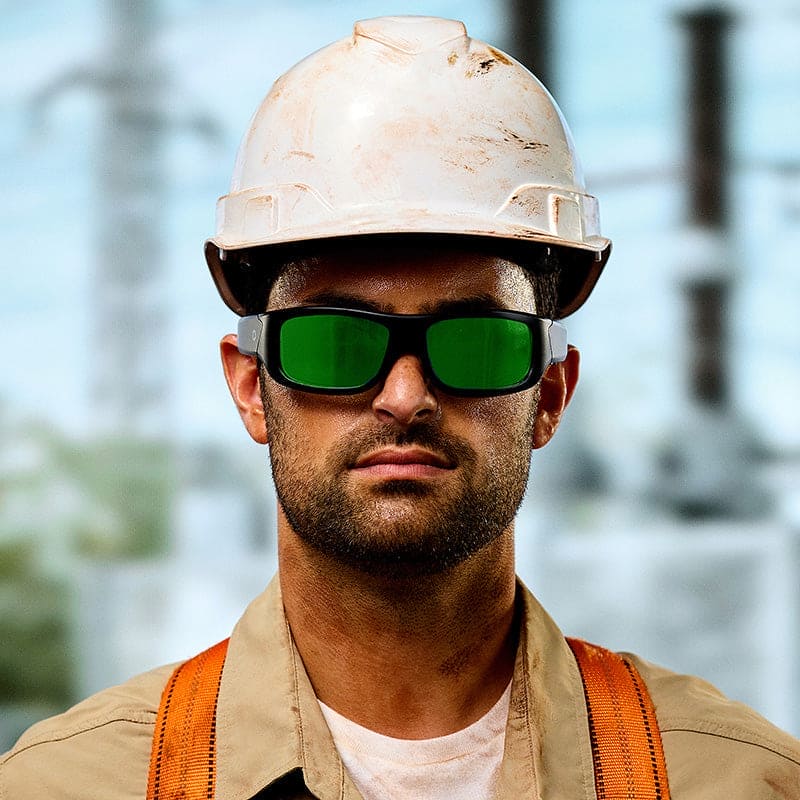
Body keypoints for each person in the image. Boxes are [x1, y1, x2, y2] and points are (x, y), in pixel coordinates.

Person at [2, 15, 799, 800]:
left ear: (550, 394)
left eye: (476, 342)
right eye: (336, 344)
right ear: (251, 386)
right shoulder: (71, 787)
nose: (406, 396)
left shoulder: (737, 782)